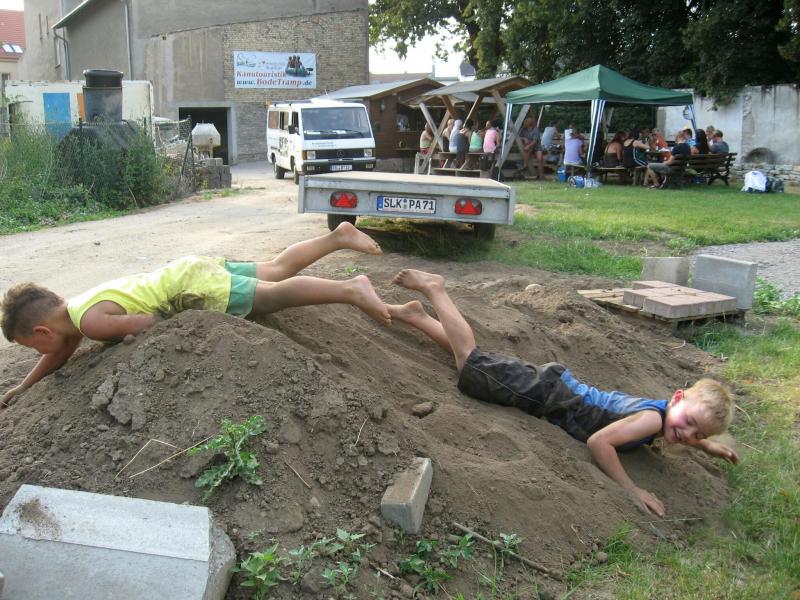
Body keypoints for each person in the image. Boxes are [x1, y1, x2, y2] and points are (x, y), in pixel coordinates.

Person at [387, 269, 739, 516]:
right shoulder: (651, 421)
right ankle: (435, 289)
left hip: (556, 388)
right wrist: (632, 490)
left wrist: (708, 446)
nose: (688, 434)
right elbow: (599, 443)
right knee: (469, 361)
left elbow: (681, 428)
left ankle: (418, 317)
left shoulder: (664, 415)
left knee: (479, 363)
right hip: (547, 394)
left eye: (697, 434)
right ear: (676, 398)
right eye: (690, 423)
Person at [1, 224, 390, 406]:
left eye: (30, 346)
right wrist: (23, 386)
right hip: (186, 270)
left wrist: (123, 340)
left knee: (272, 296)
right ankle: (337, 236)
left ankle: (350, 290)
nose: (39, 353)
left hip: (190, 290)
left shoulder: (91, 324)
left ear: (42, 330)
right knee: (274, 268)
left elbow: (148, 324)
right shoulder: (77, 310)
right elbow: (60, 351)